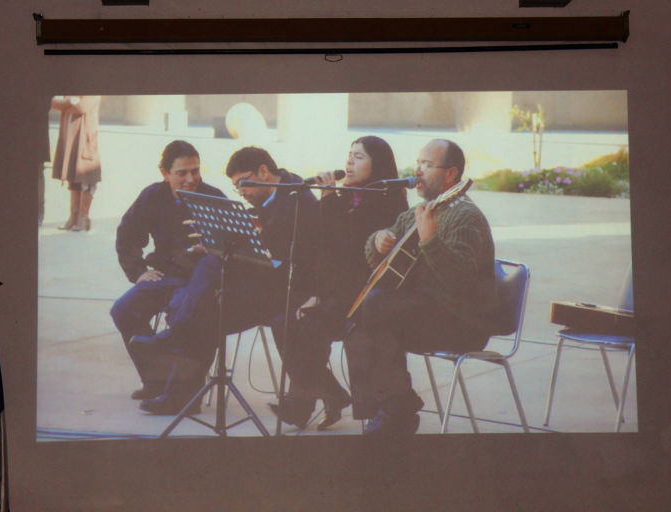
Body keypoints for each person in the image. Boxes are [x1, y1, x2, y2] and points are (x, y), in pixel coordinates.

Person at [130, 146, 319, 415]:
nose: (242, 193)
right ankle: (179, 386)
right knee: (207, 294)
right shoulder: (268, 197)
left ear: (263, 172)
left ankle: (176, 355)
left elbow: (298, 260)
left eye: (243, 184)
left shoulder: (298, 198)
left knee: (205, 305)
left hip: (286, 290)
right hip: (262, 282)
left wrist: (248, 247)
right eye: (237, 187)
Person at [344, 139, 496, 436]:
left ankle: (396, 409)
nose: (418, 170)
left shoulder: (466, 216)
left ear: (451, 174)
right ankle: (387, 410)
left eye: (427, 164)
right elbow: (376, 252)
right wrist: (377, 240)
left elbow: (460, 280)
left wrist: (430, 241)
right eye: (418, 162)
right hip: (426, 311)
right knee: (358, 324)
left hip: (463, 320)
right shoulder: (422, 209)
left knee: (375, 306)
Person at [268, 135, 409, 430]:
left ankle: (307, 402)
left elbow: (351, 248)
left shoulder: (388, 203)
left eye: (359, 157)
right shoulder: (344, 198)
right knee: (283, 320)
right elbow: (323, 254)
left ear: (378, 165)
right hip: (335, 294)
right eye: (349, 154)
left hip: (363, 297)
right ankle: (330, 393)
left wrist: (329, 199)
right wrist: (317, 294)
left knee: (305, 327)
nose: (349, 162)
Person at [110, 140, 226, 401]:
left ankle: (180, 392)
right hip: (165, 275)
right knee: (123, 310)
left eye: (195, 171)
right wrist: (138, 271)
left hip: (201, 281)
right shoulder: (152, 195)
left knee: (182, 312)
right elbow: (127, 236)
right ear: (164, 173)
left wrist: (209, 250)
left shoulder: (214, 196)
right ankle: (155, 380)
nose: (191, 178)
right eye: (182, 173)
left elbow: (232, 247)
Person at [50, 95, 102, 231]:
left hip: (85, 139)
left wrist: (66, 103)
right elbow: (54, 103)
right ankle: (73, 217)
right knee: (72, 177)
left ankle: (83, 219)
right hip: (70, 139)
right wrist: (70, 101)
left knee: (86, 179)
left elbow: (82, 107)